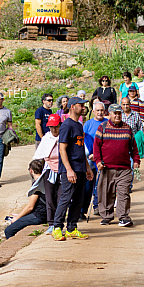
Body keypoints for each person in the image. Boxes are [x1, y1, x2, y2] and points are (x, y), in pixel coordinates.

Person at [51, 97, 94, 241]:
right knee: (66, 197)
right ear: (72, 107)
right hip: (70, 169)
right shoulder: (66, 125)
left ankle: (71, 228)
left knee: (78, 199)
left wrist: (87, 167)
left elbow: (81, 149)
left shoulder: (79, 125)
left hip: (81, 168)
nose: (83, 108)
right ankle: (56, 227)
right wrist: (68, 170)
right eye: (80, 105)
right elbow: (62, 149)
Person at [93, 103, 138, 227]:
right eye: (115, 113)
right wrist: (98, 161)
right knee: (106, 193)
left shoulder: (127, 128)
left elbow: (133, 147)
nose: (117, 115)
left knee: (124, 193)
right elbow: (96, 147)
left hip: (124, 168)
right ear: (110, 114)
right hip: (107, 167)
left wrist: (136, 160)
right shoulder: (102, 128)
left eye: (119, 113)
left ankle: (123, 217)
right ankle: (107, 216)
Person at [4, 159, 49, 238]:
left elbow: (30, 207)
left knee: (9, 230)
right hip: (47, 213)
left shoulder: (37, 184)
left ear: (31, 170)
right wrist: (22, 215)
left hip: (39, 216)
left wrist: (17, 218)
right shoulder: (47, 180)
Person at [33, 114, 62, 232]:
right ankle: (51, 224)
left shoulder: (64, 137)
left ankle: (59, 223)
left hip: (62, 170)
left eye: (56, 127)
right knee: (50, 198)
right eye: (51, 127)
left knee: (61, 198)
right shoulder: (46, 138)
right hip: (49, 171)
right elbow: (39, 155)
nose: (54, 130)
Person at [82, 101, 109, 220]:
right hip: (89, 159)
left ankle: (98, 206)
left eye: (102, 110)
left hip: (103, 158)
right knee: (88, 185)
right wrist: (90, 154)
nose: (100, 112)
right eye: (97, 110)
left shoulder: (108, 123)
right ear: (93, 111)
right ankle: (82, 210)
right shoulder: (88, 124)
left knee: (101, 184)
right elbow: (83, 140)